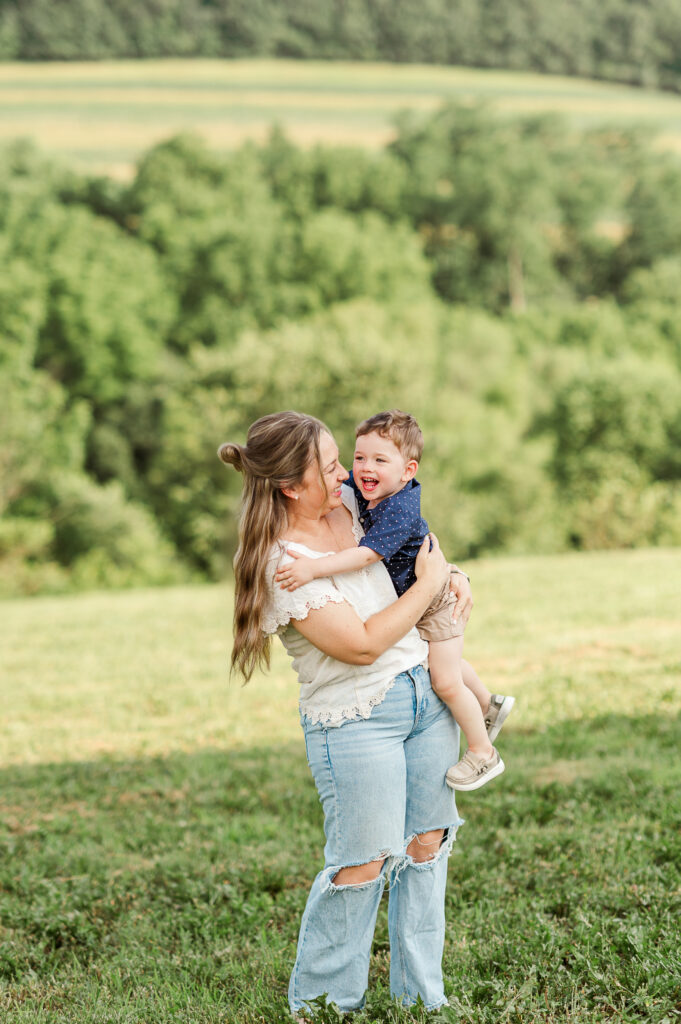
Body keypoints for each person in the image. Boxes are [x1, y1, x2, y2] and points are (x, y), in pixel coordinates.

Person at [218, 410, 474, 1018]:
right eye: (331, 467)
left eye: (343, 461)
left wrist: (452, 576)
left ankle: (421, 1000)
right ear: (289, 486)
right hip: (356, 721)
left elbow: (415, 546)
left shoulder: (355, 506)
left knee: (426, 846)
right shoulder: (282, 564)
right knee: (363, 861)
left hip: (425, 698)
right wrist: (430, 586)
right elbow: (360, 645)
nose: (346, 475)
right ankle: (324, 1006)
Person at [275, 409, 515, 792]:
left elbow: (367, 556)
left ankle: (483, 751)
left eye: (379, 460)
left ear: (408, 471)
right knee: (445, 663)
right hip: (423, 597)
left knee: (446, 680)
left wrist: (314, 568)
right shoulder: (364, 489)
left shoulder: (396, 507)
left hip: (434, 601)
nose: (355, 471)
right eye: (357, 458)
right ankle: (489, 704)